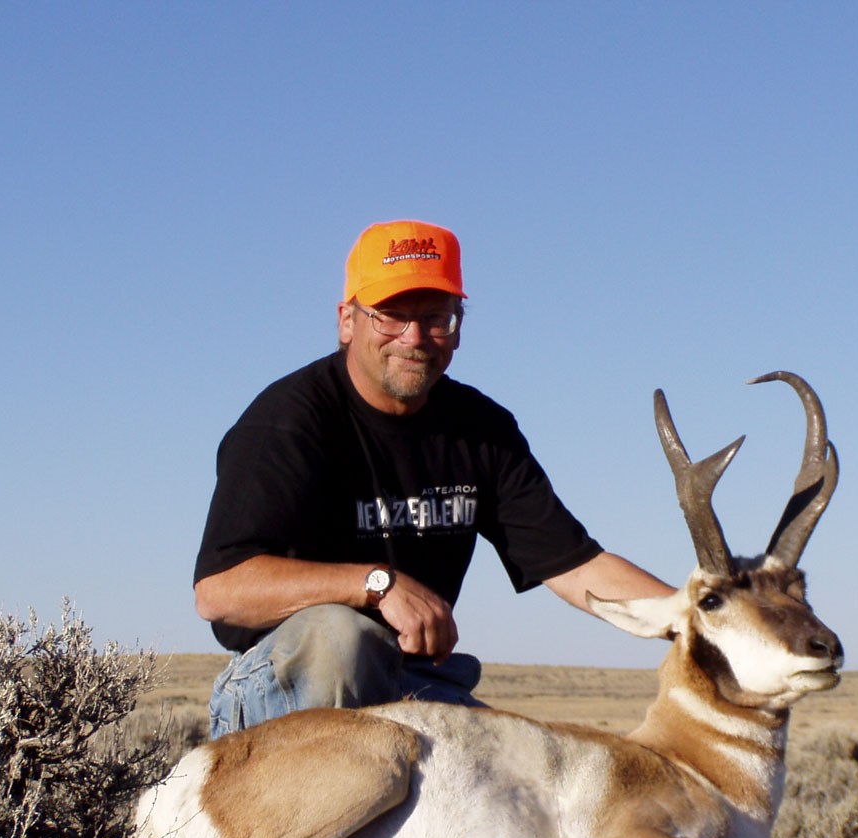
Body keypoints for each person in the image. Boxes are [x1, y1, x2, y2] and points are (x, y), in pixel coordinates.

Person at [194, 220, 673, 738]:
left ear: (459, 326)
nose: (415, 338)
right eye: (391, 316)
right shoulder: (286, 422)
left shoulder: (481, 429)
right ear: (347, 321)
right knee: (337, 636)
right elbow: (219, 590)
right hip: (283, 697)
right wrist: (377, 584)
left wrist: (700, 616)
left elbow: (578, 568)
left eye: (435, 318)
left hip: (414, 682)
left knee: (546, 775)